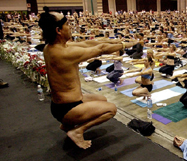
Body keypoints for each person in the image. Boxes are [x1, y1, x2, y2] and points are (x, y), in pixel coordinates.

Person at [38, 7, 138, 149]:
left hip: (63, 103)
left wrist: (115, 40)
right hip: (67, 108)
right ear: (58, 31)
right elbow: (100, 49)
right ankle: (77, 131)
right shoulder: (63, 54)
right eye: (66, 24)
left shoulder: (51, 47)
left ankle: (66, 125)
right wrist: (128, 44)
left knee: (102, 99)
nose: (70, 27)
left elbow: (88, 43)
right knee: (111, 109)